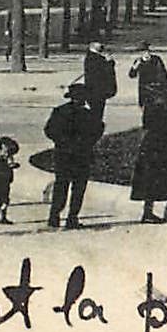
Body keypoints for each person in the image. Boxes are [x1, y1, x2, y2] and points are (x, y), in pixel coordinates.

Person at [128, 43, 167, 223]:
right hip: (149, 102)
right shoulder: (140, 62)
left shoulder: (157, 61)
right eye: (142, 51)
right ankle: (148, 212)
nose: (145, 54)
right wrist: (135, 66)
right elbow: (132, 75)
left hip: (151, 103)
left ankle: (147, 211)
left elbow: (163, 79)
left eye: (146, 51)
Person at [44, 83, 105, 228]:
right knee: (78, 189)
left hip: (63, 155)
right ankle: (72, 218)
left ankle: (54, 216)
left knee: (61, 186)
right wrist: (86, 143)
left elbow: (49, 130)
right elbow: (99, 129)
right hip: (81, 155)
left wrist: (62, 141)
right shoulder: (89, 114)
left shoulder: (60, 111)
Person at [82, 41, 117, 124]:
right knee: (97, 112)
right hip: (98, 90)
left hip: (94, 90)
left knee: (95, 112)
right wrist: (109, 62)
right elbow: (104, 71)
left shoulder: (92, 57)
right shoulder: (95, 58)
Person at [0, 136, 19, 224]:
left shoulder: (0, 158)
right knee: (5, 200)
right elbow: (11, 165)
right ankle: (3, 217)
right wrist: (16, 165)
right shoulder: (8, 158)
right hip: (4, 182)